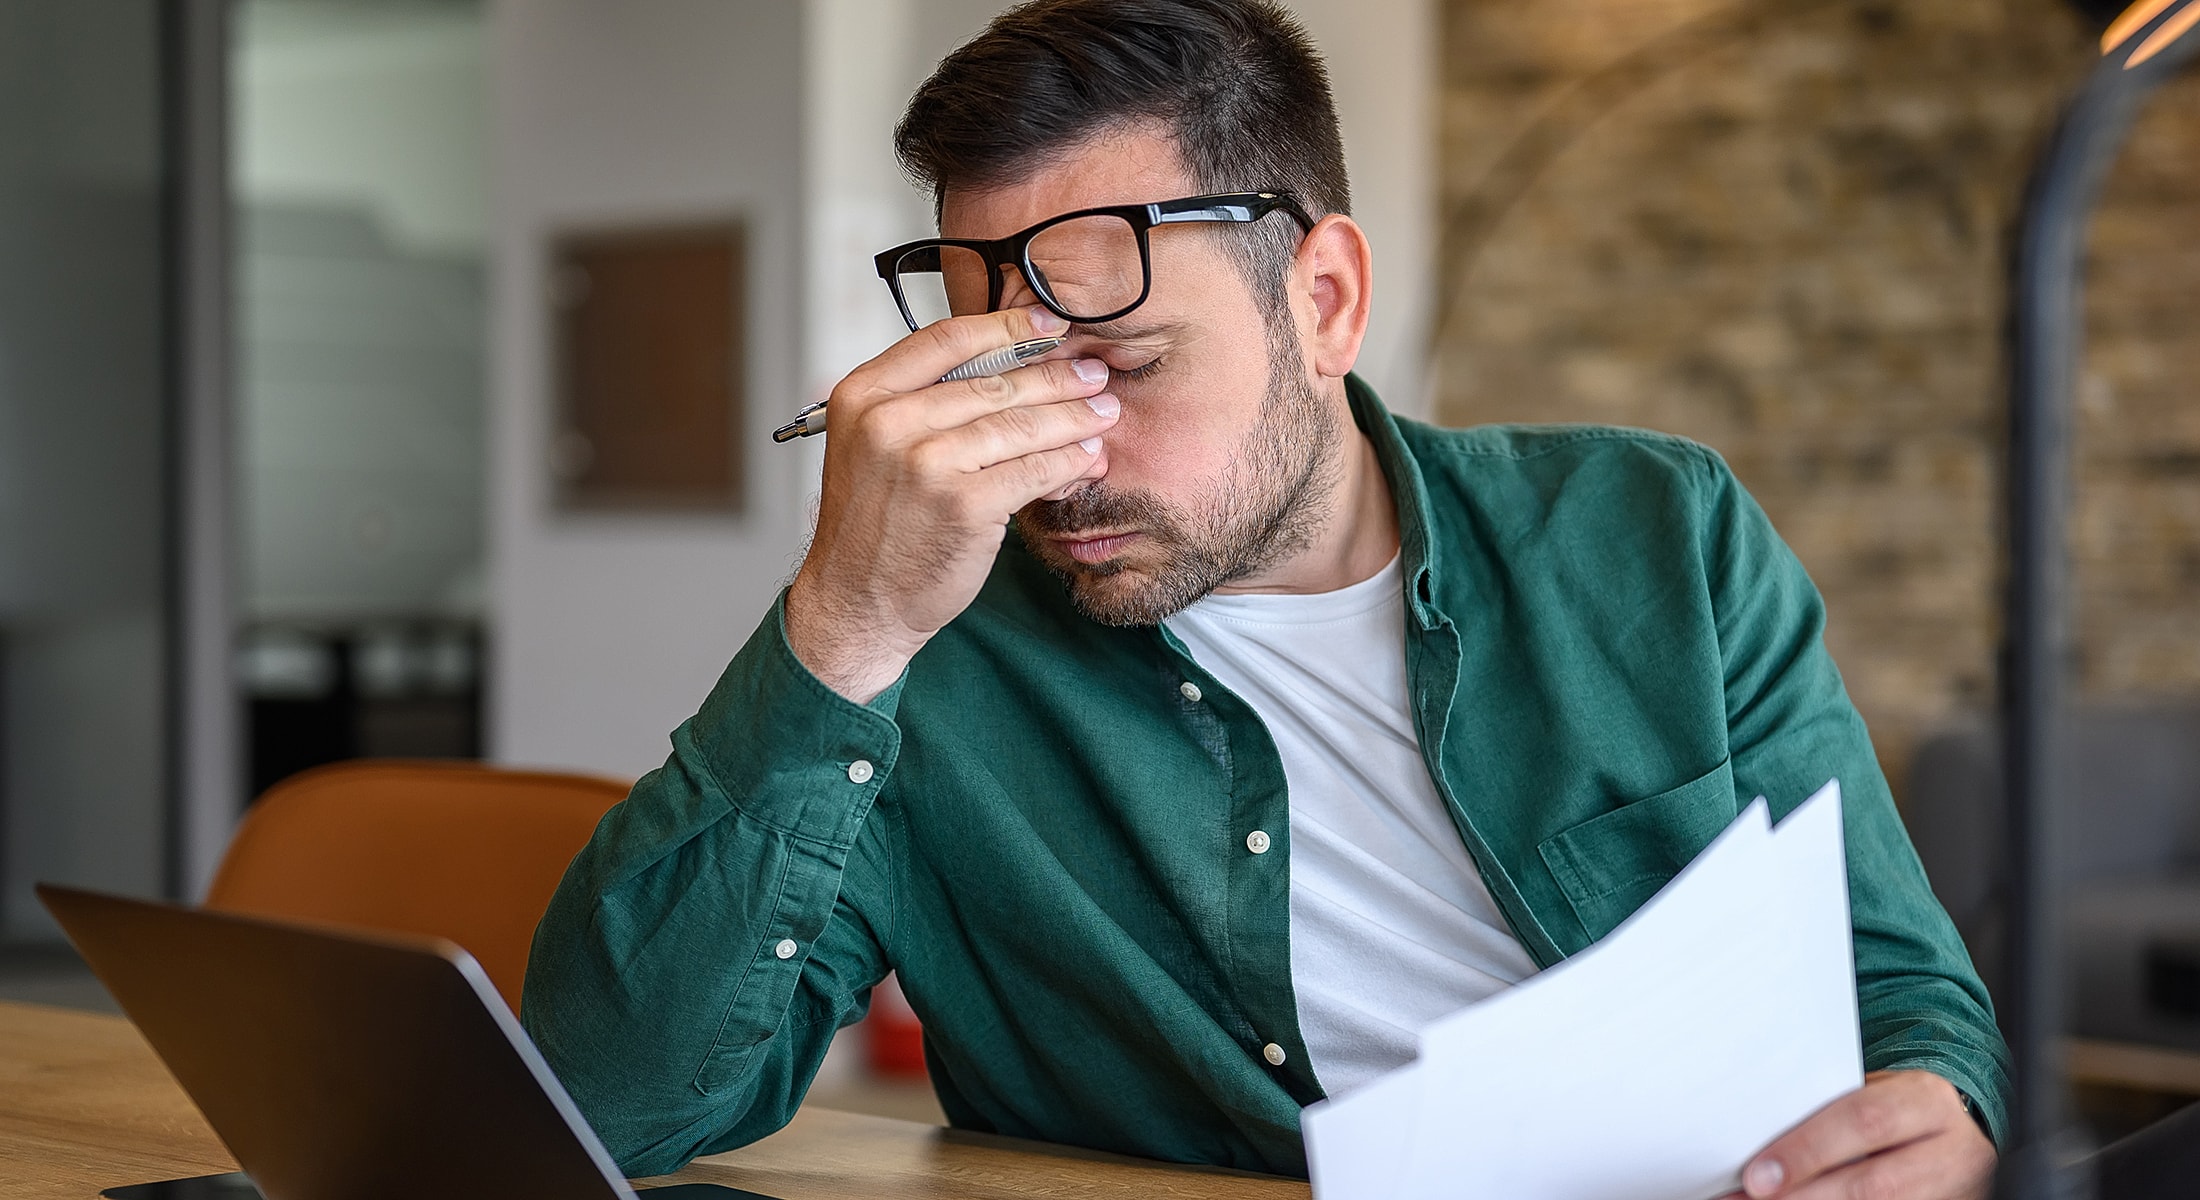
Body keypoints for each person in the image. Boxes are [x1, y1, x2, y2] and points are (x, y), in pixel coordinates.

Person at [522, 2, 2007, 1196]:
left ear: (1326, 301)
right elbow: (610, 1108)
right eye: (1008, 378)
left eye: (1126, 366)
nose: (1060, 455)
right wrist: (845, 627)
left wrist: (1936, 1107)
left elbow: (1892, 986)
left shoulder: (1651, 532)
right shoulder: (924, 650)